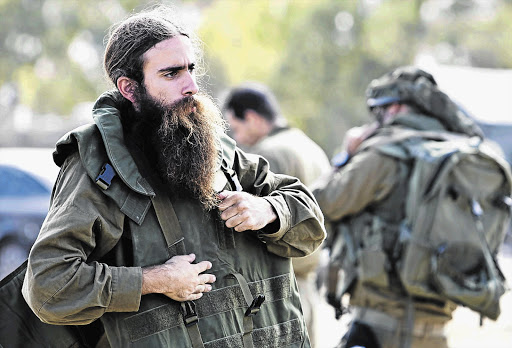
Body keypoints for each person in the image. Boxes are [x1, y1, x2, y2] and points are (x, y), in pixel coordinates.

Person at [21, 6, 326, 348]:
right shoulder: (97, 165)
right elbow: (47, 285)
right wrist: (154, 280)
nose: (192, 86)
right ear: (129, 87)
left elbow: (310, 222)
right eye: (171, 74)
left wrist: (268, 212)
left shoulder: (218, 148)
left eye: (191, 69)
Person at [311, 66, 486, 348]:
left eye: (380, 111)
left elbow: (319, 205)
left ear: (395, 108)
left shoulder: (385, 153)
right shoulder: (458, 155)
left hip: (382, 327)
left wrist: (347, 156)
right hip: (438, 329)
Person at [222, 82, 331, 347]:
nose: (237, 138)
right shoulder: (308, 145)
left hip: (280, 293)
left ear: (253, 118)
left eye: (236, 128)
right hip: (307, 282)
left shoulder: (267, 154)